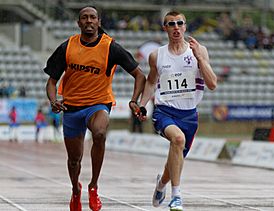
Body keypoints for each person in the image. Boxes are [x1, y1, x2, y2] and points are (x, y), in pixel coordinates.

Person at [44, 6, 145, 211]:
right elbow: (52, 82)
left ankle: (93, 186)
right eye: (84, 18)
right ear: (78, 23)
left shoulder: (111, 47)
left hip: (98, 104)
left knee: (99, 133)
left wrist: (134, 100)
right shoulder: (67, 47)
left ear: (99, 22)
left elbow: (140, 75)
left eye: (92, 17)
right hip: (71, 107)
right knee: (74, 160)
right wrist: (53, 100)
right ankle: (75, 190)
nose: (89, 21)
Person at [137, 11, 217, 211]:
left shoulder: (199, 51)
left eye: (179, 23)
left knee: (176, 157)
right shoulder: (157, 55)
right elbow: (151, 82)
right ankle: (177, 196)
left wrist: (200, 58)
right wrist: (142, 104)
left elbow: (212, 83)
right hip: (165, 111)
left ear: (185, 26)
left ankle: (161, 184)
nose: (176, 27)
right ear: (165, 28)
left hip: (190, 115)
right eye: (170, 24)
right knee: (178, 140)